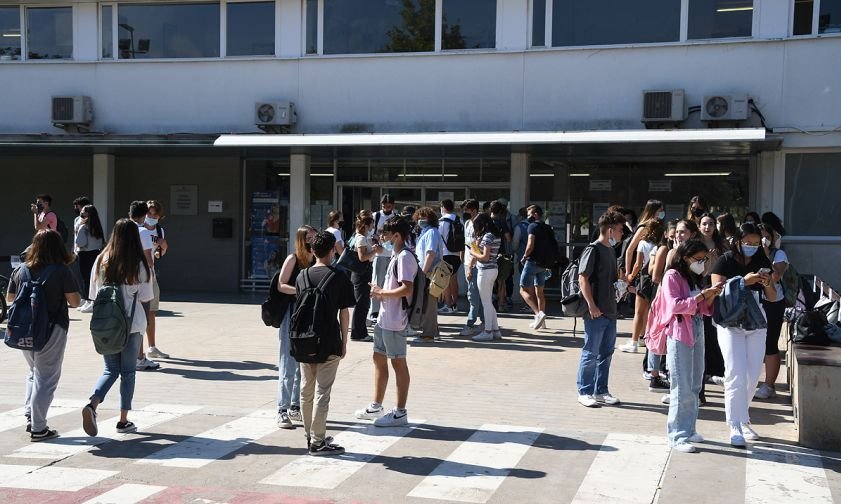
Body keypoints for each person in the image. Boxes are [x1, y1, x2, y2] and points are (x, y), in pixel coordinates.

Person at [82, 219, 154, 437]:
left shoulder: (101, 259)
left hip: (107, 324)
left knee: (110, 369)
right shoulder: (138, 263)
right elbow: (145, 298)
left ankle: (93, 404)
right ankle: (123, 420)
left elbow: (93, 295)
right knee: (128, 372)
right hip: (132, 325)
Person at [6, 230, 81, 441]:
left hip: (23, 329)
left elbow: (10, 297)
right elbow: (75, 302)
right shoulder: (61, 271)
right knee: (46, 377)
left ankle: (31, 414)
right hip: (52, 328)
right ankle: (39, 428)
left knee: (33, 372)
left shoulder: (21, 270)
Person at [710, 223, 776, 447]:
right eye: (747, 242)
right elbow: (715, 290)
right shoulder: (725, 260)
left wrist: (767, 283)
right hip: (729, 322)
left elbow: (774, 295)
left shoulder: (761, 260)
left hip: (756, 321)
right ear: (737, 240)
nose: (752, 247)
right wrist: (742, 282)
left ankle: (743, 416)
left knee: (752, 374)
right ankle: (734, 423)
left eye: (756, 243)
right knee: (735, 372)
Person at [296, 231, 355, 456]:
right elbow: (344, 312)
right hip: (328, 340)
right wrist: (344, 341)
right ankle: (319, 442)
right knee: (323, 392)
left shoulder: (302, 276)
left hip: (303, 340)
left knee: (306, 390)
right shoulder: (339, 275)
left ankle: (309, 436)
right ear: (332, 251)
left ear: (313, 251)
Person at [660, 240, 722, 453]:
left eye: (704, 259)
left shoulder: (694, 277)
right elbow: (675, 305)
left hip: (696, 331)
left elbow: (703, 308)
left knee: (695, 384)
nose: (702, 263)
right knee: (681, 386)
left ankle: (689, 428)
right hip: (679, 335)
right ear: (686, 257)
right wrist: (704, 294)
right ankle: (677, 434)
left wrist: (711, 295)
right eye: (698, 259)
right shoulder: (672, 276)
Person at [355, 217, 417, 426]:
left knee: (398, 362)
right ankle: (377, 405)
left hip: (395, 320)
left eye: (386, 234)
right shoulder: (396, 255)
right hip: (384, 318)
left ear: (397, 236)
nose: (382, 237)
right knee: (378, 358)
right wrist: (380, 292)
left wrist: (383, 292)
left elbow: (407, 289)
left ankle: (400, 412)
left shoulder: (405, 257)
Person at [577, 211, 626, 408]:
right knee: (591, 352)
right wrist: (591, 305)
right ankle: (585, 391)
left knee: (606, 352)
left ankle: (601, 390)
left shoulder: (610, 251)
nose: (623, 234)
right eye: (621, 230)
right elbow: (583, 278)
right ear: (611, 230)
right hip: (596, 311)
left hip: (610, 309)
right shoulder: (593, 249)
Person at [275, 225, 315, 429]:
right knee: (287, 364)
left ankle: (295, 406)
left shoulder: (316, 258)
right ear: (301, 239)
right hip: (291, 313)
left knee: (303, 364)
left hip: (309, 315)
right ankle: (281, 409)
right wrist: (301, 291)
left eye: (315, 237)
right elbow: (281, 284)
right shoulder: (293, 259)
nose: (312, 241)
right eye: (309, 237)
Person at [754, 223, 789, 400]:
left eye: (765, 236)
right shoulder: (749, 254)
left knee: (770, 342)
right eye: (758, 236)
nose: (762, 240)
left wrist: (767, 256)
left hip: (774, 302)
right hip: (755, 301)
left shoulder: (778, 254)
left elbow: (775, 277)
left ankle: (769, 385)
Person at [620, 219, 665, 354]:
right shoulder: (661, 245)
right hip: (657, 281)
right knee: (651, 312)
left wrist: (630, 276)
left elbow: (638, 264)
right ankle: (645, 338)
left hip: (644, 280)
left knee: (639, 312)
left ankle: (633, 341)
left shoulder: (643, 244)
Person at [127, 201, 159, 371]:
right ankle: (139, 357)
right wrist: (151, 274)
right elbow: (148, 256)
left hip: (126, 278)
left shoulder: (123, 229)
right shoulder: (143, 231)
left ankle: (131, 355)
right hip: (142, 278)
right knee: (142, 318)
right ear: (144, 215)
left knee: (131, 318)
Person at [141, 200, 169, 361]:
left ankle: (151, 347)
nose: (152, 216)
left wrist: (164, 247)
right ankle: (137, 351)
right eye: (149, 213)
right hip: (138, 274)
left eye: (155, 214)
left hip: (151, 274)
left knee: (152, 310)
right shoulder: (138, 229)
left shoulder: (159, 230)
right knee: (139, 312)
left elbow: (158, 254)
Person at [469, 214, 503, 342]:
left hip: (485, 270)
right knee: (488, 302)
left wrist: (472, 251)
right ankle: (495, 330)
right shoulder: (494, 234)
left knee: (486, 303)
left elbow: (485, 257)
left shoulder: (488, 236)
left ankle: (488, 331)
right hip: (493, 269)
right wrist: (476, 247)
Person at [413, 207, 443, 342]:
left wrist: (423, 273)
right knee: (428, 302)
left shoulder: (431, 232)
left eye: (423, 217)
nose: (420, 220)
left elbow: (430, 254)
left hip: (429, 272)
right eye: (419, 217)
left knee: (429, 304)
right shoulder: (426, 232)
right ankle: (433, 331)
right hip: (427, 271)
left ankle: (428, 334)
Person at [350, 214, 382, 341]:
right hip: (361, 273)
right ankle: (358, 333)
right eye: (371, 225)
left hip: (360, 273)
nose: (372, 227)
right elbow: (362, 257)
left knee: (362, 303)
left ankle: (359, 332)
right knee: (362, 304)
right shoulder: (361, 238)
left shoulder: (358, 237)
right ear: (366, 225)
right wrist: (375, 250)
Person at [519, 205, 552, 330]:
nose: (528, 217)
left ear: (536, 214)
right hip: (544, 263)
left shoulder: (532, 226)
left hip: (532, 262)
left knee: (523, 290)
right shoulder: (547, 227)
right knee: (540, 292)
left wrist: (524, 257)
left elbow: (530, 245)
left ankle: (539, 314)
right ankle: (541, 323)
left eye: (530, 214)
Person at [368, 195, 397, 322]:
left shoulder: (396, 217)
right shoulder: (376, 216)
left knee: (391, 284)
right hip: (379, 255)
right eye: (384, 206)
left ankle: (389, 309)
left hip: (392, 255)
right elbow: (369, 234)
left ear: (393, 206)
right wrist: (375, 245)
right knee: (377, 282)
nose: (386, 208)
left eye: (389, 206)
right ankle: (374, 311)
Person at [459, 199, 484, 337]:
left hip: (474, 264)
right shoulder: (467, 223)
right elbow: (466, 243)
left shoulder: (478, 224)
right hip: (467, 262)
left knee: (473, 295)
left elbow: (476, 246)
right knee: (473, 294)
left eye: (466, 210)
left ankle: (471, 323)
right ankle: (484, 321)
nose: (464, 213)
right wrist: (463, 257)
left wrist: (471, 265)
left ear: (474, 210)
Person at [74, 204, 105, 313]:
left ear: (88, 214)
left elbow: (80, 242)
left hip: (85, 254)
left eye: (83, 211)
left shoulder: (83, 226)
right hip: (96, 253)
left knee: (85, 278)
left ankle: (88, 300)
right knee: (94, 278)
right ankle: (91, 301)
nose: (81, 213)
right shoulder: (97, 226)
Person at [438, 199, 462, 314]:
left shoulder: (441, 221)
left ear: (443, 207)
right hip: (457, 254)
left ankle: (448, 305)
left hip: (445, 254)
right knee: (454, 279)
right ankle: (455, 304)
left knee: (445, 281)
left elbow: (439, 239)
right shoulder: (459, 220)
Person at [490, 200, 513, 312]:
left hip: (488, 254)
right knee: (501, 281)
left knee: (489, 281)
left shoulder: (486, 222)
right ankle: (501, 304)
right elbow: (508, 238)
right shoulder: (502, 222)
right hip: (501, 253)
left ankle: (489, 304)